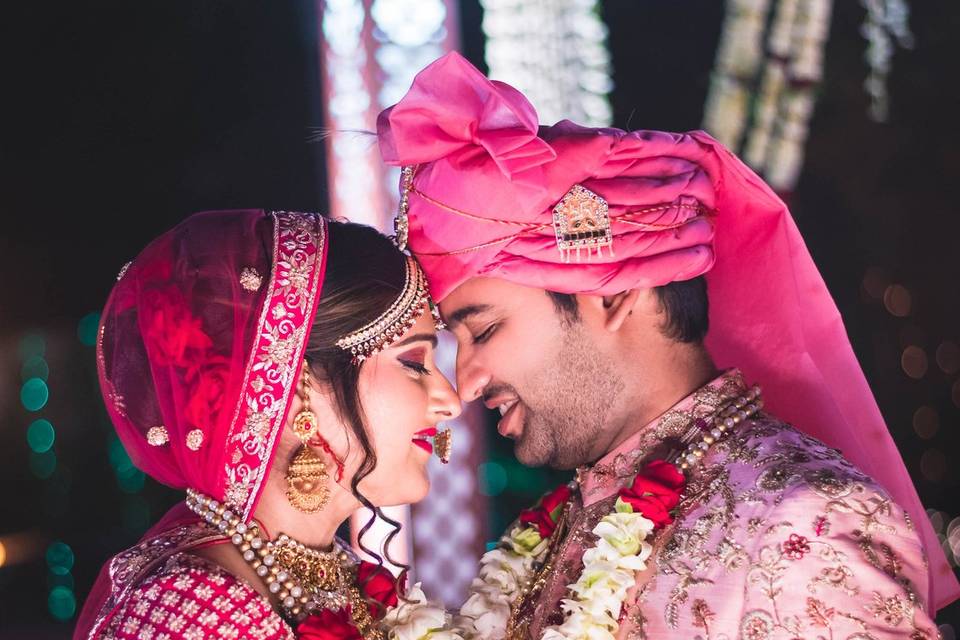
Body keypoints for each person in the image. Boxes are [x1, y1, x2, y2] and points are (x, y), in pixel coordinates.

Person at [376, 53, 960, 639]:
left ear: (614, 294)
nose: (467, 381)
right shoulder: (560, 529)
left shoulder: (800, 524)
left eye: (483, 330)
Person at [74, 210, 462, 640]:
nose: (452, 402)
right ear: (298, 384)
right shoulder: (192, 611)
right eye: (413, 364)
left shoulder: (341, 578)